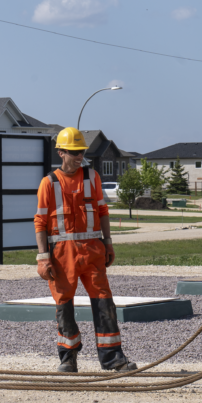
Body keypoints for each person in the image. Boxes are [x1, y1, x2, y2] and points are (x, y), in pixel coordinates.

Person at [34, 127, 137, 373]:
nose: (79, 156)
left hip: (92, 251)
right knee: (64, 305)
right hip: (62, 255)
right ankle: (68, 358)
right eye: (73, 152)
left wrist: (108, 242)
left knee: (103, 302)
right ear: (61, 152)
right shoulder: (48, 183)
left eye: (81, 151)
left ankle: (114, 359)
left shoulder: (93, 177)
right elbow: (40, 222)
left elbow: (102, 211)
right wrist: (42, 257)